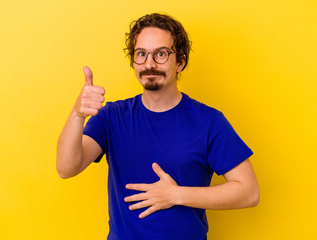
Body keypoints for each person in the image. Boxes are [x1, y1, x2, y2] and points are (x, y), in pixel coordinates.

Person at [57, 13, 260, 240]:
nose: (149, 64)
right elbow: (66, 168)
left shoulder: (208, 121)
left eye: (161, 54)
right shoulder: (111, 117)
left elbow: (249, 192)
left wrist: (175, 195)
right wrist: (77, 114)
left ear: (180, 62)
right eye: (141, 54)